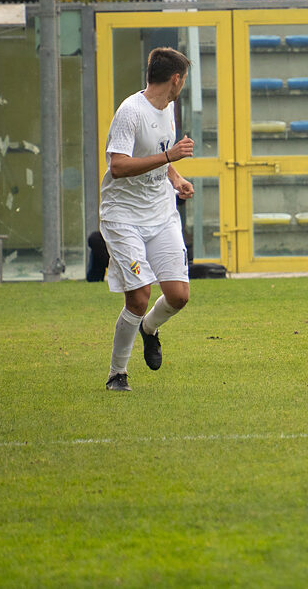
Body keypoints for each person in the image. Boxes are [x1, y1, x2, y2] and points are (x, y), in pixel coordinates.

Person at [99, 47, 196, 391]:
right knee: (139, 296)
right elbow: (118, 165)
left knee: (179, 295)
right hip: (123, 216)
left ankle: (149, 329)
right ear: (176, 79)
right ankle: (117, 374)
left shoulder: (167, 108)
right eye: (184, 80)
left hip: (161, 211)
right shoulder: (130, 111)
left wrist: (176, 177)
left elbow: (156, 154)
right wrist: (170, 156)